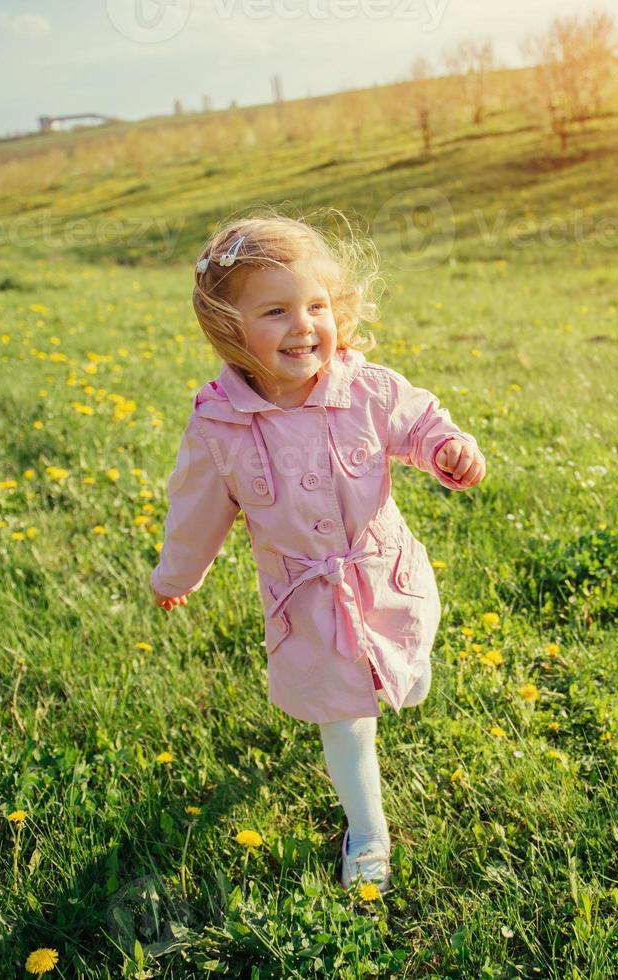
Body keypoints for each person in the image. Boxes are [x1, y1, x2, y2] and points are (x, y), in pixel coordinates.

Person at [148, 212, 486, 895]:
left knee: (406, 680)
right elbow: (196, 509)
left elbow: (419, 421)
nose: (304, 326)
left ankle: (394, 683)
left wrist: (449, 449)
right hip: (308, 604)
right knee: (346, 718)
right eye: (275, 311)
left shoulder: (364, 388)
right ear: (229, 328)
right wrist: (176, 573)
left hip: (385, 579)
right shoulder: (220, 423)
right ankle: (369, 831)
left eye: (317, 305)